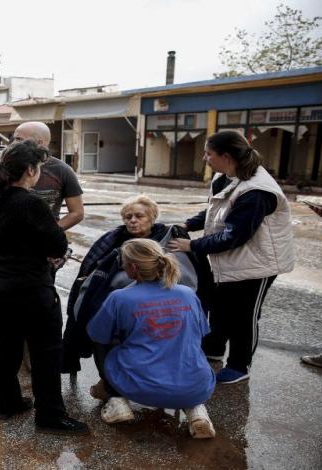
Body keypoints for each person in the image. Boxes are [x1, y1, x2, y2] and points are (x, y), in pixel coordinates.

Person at [169, 130, 294, 384]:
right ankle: (214, 348)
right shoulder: (225, 176)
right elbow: (218, 211)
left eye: (208, 153)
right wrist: (189, 223)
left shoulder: (257, 191)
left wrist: (191, 246)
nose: (204, 158)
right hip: (230, 258)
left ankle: (239, 365)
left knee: (244, 314)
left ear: (226, 156)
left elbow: (234, 236)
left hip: (258, 263)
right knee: (220, 305)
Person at [0, 139, 88, 435]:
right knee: (46, 351)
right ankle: (50, 416)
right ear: (30, 170)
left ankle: (7, 404)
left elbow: (0, 239)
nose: (39, 172)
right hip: (29, 288)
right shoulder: (31, 203)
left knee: (6, 348)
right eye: (39, 167)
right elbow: (57, 243)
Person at [62, 195, 212, 373]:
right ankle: (108, 378)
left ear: (152, 217)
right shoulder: (111, 240)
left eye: (139, 216)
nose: (132, 221)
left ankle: (113, 384)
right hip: (122, 312)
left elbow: (185, 279)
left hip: (157, 312)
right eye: (128, 217)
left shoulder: (171, 242)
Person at [0, 121, 84, 369]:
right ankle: (0, 349)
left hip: (42, 252)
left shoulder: (62, 171)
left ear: (41, 143)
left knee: (37, 306)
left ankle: (31, 353)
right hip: (8, 249)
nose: (12, 143)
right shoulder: (8, 166)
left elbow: (77, 213)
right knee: (3, 306)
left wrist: (45, 233)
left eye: (18, 138)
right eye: (13, 138)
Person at [87, 239, 216, 439]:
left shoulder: (119, 297)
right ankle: (196, 410)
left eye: (123, 262)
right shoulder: (187, 293)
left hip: (141, 388)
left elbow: (97, 334)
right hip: (197, 387)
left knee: (103, 342)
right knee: (187, 343)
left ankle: (117, 400)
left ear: (131, 268)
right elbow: (202, 332)